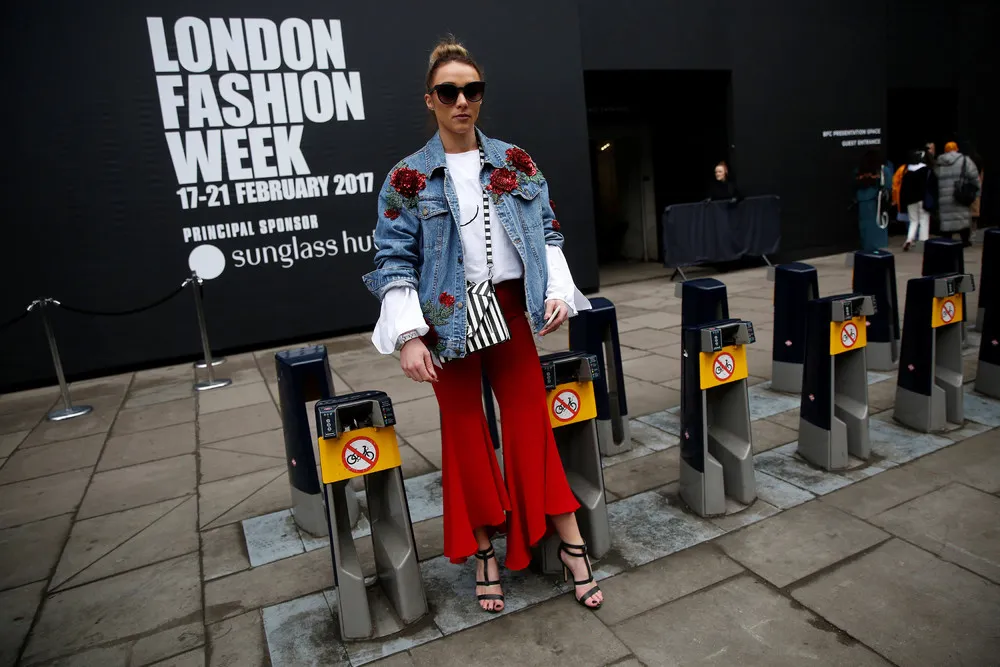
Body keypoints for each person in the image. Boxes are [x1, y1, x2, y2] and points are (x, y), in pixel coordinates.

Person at [362, 37, 604, 614]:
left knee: (530, 425)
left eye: (472, 90)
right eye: (449, 92)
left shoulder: (516, 161)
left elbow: (548, 230)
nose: (462, 101)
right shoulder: (407, 178)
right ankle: (484, 552)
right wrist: (408, 334)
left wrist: (558, 291)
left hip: (512, 308)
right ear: (431, 100)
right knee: (465, 434)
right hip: (447, 320)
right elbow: (392, 258)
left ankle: (570, 545)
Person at [935, 141, 981, 247]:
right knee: (962, 218)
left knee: (947, 221)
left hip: (944, 199)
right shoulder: (965, 160)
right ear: (957, 149)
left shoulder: (939, 163)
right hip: (960, 197)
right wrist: (977, 192)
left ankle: (947, 241)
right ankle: (965, 240)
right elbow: (974, 178)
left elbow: (935, 178)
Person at [853, 150, 893, 252]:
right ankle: (877, 249)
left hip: (862, 201)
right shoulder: (883, 170)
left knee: (864, 227)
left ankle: (866, 248)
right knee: (877, 225)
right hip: (877, 201)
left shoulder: (859, 171)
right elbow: (888, 186)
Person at [900, 150, 933, 251]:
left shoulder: (907, 172)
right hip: (922, 199)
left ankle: (909, 239)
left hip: (910, 201)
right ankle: (923, 242)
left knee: (913, 221)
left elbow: (903, 190)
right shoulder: (925, 170)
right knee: (924, 220)